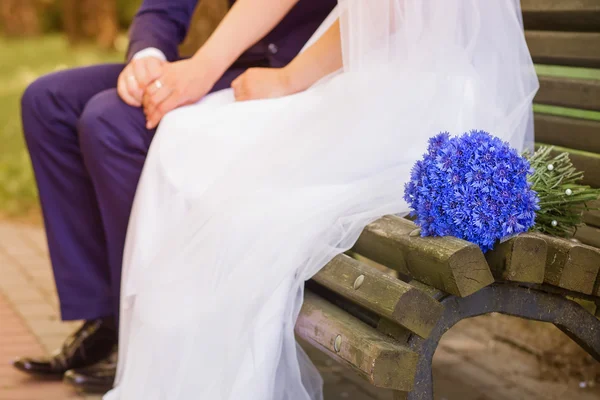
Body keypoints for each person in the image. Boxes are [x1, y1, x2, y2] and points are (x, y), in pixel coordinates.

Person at [104, 0, 539, 398]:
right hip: (392, 77)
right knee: (192, 139)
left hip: (421, 97)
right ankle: (183, 363)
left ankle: (199, 372)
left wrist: (289, 79)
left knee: (222, 171)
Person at [15, 0, 336, 393]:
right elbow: (165, 7)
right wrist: (146, 58)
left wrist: (202, 70)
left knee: (111, 121)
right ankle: (105, 320)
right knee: (48, 102)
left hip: (308, 75)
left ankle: (142, 334)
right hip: (237, 63)